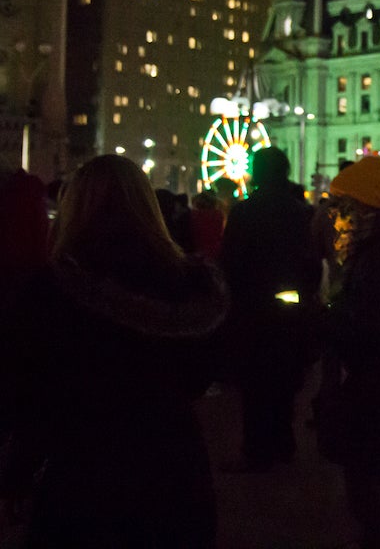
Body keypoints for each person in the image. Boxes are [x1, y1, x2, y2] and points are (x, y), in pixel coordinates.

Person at [0, 155, 228, 547]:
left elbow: (30, 394)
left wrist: (17, 471)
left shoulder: (53, 290)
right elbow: (201, 373)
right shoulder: (191, 286)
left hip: (84, 472)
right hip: (175, 467)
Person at [316, 155, 380, 548]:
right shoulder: (373, 253)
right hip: (369, 385)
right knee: (366, 481)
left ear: (364, 212)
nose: (335, 220)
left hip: (373, 389)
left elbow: (366, 328)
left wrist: (324, 317)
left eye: (342, 210)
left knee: (372, 481)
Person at [219, 146, 322, 472]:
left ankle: (257, 448)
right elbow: (311, 261)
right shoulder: (299, 210)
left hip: (253, 305)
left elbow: (231, 260)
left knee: (255, 383)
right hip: (290, 306)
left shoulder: (245, 211)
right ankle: (283, 440)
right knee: (285, 378)